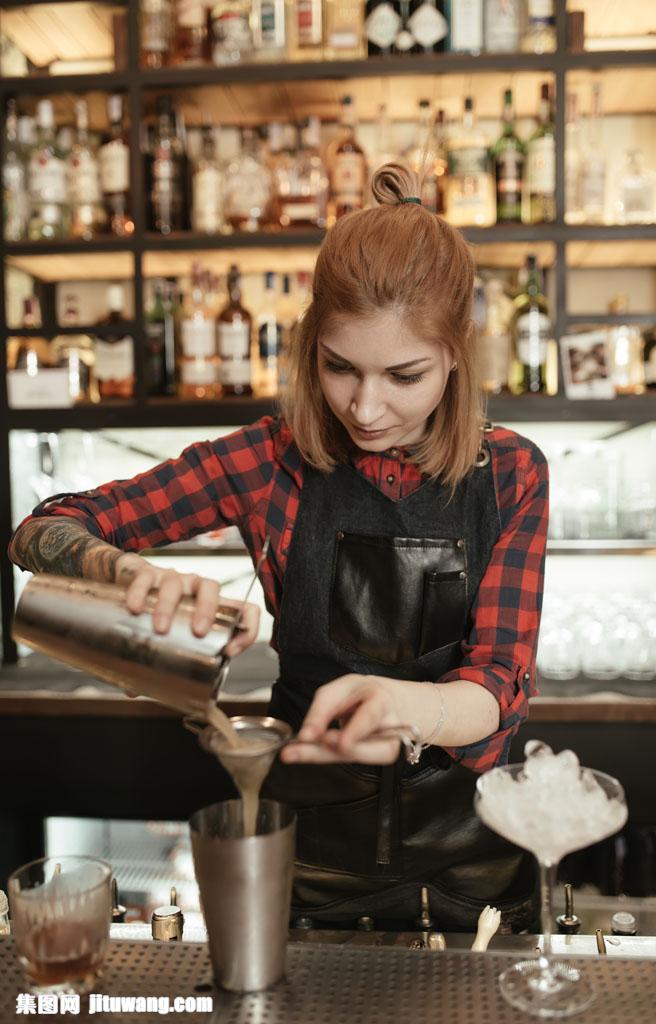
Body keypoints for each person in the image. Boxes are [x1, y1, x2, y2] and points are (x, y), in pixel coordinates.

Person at [9, 164, 548, 934]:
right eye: (339, 368)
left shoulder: (512, 474)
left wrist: (402, 705)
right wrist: (122, 574)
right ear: (309, 347)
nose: (365, 407)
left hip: (473, 876)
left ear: (456, 355)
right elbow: (42, 528)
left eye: (403, 375)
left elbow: (500, 679)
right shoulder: (268, 460)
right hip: (303, 871)